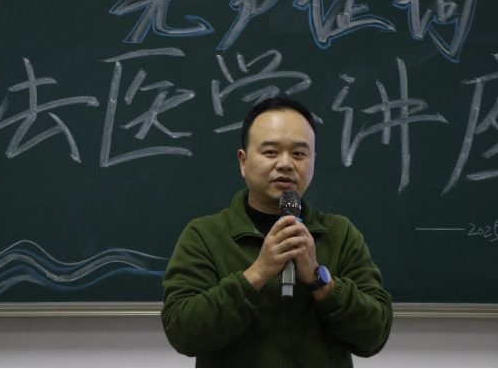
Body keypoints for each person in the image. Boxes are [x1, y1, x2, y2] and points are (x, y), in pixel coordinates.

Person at [161, 97, 392, 368]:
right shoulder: (204, 236)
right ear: (243, 161)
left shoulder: (340, 235)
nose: (285, 164)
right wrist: (258, 273)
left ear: (313, 161)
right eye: (271, 152)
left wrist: (318, 280)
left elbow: (373, 337)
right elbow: (183, 333)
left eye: (299, 154)